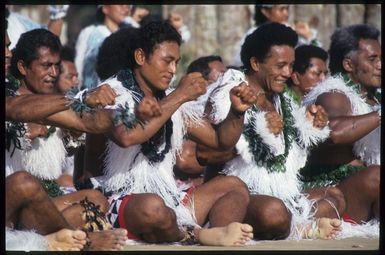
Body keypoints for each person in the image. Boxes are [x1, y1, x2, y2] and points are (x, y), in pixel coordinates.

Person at [86, 21, 256, 246]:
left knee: (234, 186)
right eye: (167, 61)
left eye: (176, 62)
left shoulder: (169, 98)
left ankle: (220, 236)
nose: (174, 70)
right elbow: (127, 136)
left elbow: (220, 140)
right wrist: (179, 95)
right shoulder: (111, 92)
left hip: (169, 199)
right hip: (116, 199)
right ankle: (199, 235)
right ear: (140, 57)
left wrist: (236, 112)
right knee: (152, 208)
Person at [200, 22, 342, 240]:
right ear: (256, 63)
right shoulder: (227, 92)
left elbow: (285, 156)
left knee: (335, 196)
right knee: (273, 213)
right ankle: (302, 227)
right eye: (280, 65)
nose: (287, 73)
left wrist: (310, 127)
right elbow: (204, 154)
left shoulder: (282, 99)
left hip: (278, 192)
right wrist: (257, 137)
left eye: (291, 65)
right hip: (238, 194)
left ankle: (296, 222)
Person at [301, 24, 380, 227]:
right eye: (372, 59)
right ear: (348, 64)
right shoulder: (334, 94)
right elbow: (332, 131)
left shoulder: (375, 98)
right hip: (332, 197)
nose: (380, 65)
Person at [174, 55, 228, 185]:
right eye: (222, 75)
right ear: (201, 82)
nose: (228, 78)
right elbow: (184, 158)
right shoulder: (185, 111)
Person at [232, 4, 321, 67]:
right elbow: (239, 63)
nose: (286, 13)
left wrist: (308, 36)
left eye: (287, 9)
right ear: (265, 11)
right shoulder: (254, 34)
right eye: (281, 9)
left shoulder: (291, 31)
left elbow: (313, 57)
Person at [75, 5, 131, 90]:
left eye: (128, 6)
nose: (125, 9)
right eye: (120, 4)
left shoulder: (129, 35)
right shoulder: (90, 33)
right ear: (105, 8)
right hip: (91, 94)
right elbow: (78, 65)